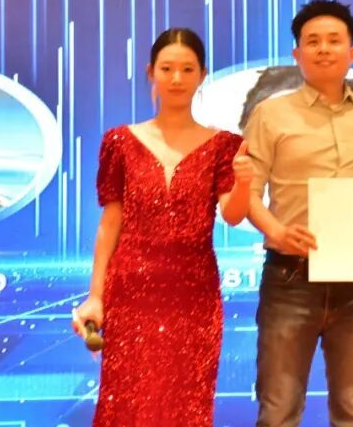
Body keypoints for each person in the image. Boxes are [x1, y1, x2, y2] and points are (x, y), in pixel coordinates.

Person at [71, 28, 252, 426]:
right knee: (127, 405)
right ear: (150, 72)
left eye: (187, 69)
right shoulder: (120, 141)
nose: (176, 78)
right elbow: (110, 224)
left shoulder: (224, 145)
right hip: (129, 292)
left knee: (186, 404)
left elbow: (234, 215)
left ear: (202, 74)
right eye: (167, 68)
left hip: (194, 296)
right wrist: (95, 296)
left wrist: (245, 182)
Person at [244, 0, 353, 427]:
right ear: (297, 53)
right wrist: (276, 231)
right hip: (291, 277)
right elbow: (248, 193)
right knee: (278, 410)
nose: (324, 49)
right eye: (312, 41)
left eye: (334, 40)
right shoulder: (269, 114)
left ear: (352, 52)